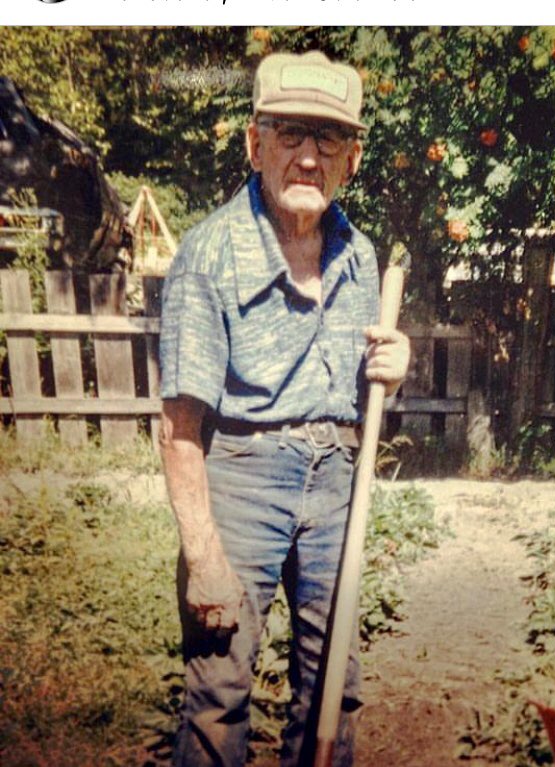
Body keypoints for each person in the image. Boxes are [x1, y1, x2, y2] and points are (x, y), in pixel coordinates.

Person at [158, 50, 410, 767]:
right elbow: (179, 431)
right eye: (290, 133)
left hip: (337, 480)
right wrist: (204, 554)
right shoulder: (210, 255)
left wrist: (397, 362)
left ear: (352, 158)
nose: (308, 156)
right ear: (254, 142)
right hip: (241, 476)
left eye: (327, 139)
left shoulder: (358, 256)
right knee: (219, 692)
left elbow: (370, 379)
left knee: (335, 687)